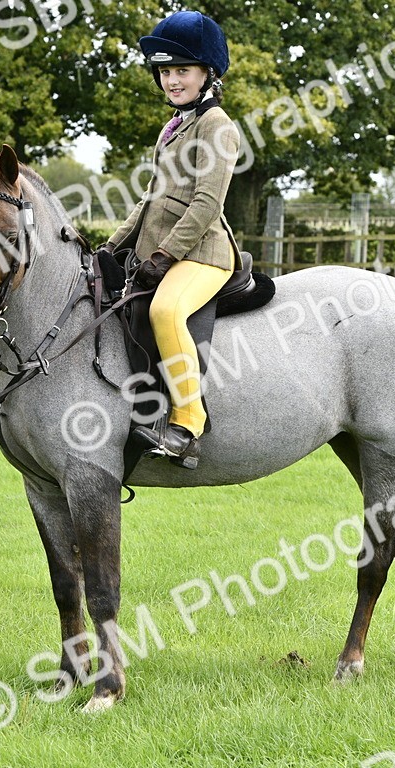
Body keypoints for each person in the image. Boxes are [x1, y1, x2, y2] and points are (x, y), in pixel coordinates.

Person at [101, 10, 243, 470]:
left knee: (165, 310)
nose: (172, 80)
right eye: (165, 72)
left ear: (208, 73)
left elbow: (205, 204)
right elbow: (149, 201)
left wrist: (164, 254)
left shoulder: (217, 124)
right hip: (165, 254)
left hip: (204, 254)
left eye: (182, 70)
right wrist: (110, 247)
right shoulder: (172, 129)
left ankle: (187, 425)